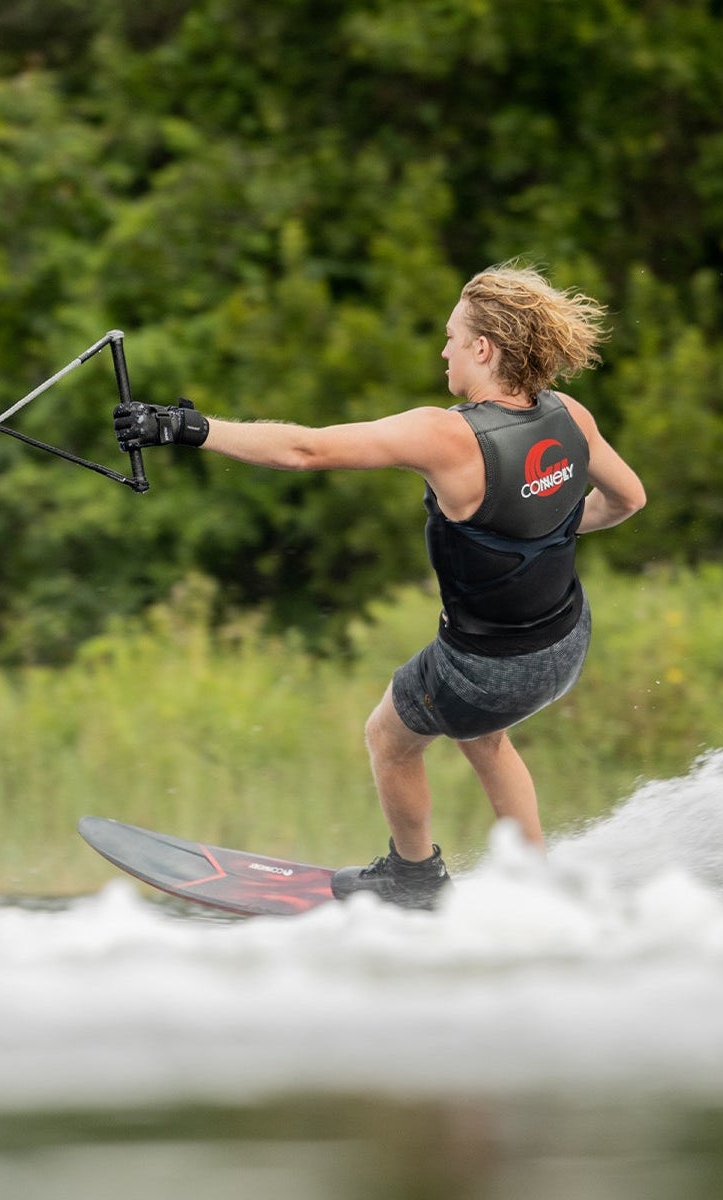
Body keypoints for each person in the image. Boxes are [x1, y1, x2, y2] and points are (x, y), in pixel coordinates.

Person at [114, 263, 646, 909]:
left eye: (452, 337)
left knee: (390, 737)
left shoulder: (448, 435)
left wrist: (186, 427)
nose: (443, 348)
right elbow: (627, 500)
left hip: (485, 666)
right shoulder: (570, 418)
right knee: (484, 734)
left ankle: (412, 878)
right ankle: (536, 885)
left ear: (484, 348)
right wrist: (550, 531)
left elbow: (307, 451)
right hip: (565, 644)